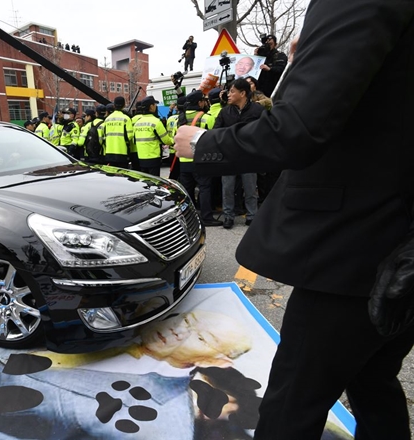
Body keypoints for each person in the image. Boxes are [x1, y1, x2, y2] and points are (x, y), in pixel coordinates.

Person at [174, 1, 414, 438]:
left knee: (292, 406)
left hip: (355, 247)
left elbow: (300, 126)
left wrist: (204, 143)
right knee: (373, 382)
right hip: (397, 241)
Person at [213, 79, 264, 229]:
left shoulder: (257, 111)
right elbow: (216, 132)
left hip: (249, 156)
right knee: (227, 188)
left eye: (232, 91)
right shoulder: (225, 112)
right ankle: (228, 216)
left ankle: (251, 216)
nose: (228, 95)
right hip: (229, 156)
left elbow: (264, 132)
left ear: (243, 93)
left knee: (250, 188)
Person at [133, 96, 172, 176]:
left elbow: (134, 140)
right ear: (151, 106)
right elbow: (166, 140)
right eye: (155, 104)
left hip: (141, 158)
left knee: (145, 182)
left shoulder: (137, 123)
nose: (156, 106)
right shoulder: (156, 122)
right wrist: (174, 140)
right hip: (154, 158)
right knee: (154, 183)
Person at [102, 96, 133, 169]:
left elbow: (104, 135)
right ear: (124, 105)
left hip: (109, 152)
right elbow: (130, 136)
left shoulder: (107, 119)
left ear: (114, 105)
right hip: (122, 152)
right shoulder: (126, 119)